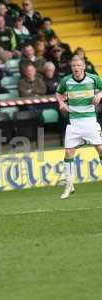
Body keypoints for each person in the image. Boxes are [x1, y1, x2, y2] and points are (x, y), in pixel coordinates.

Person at [56, 55, 102, 199]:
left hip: (89, 120)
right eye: (73, 66)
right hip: (74, 122)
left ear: (83, 67)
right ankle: (69, 185)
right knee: (68, 153)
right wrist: (62, 103)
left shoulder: (94, 78)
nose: (76, 68)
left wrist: (100, 95)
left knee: (100, 149)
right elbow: (58, 93)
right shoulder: (66, 80)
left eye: (78, 66)